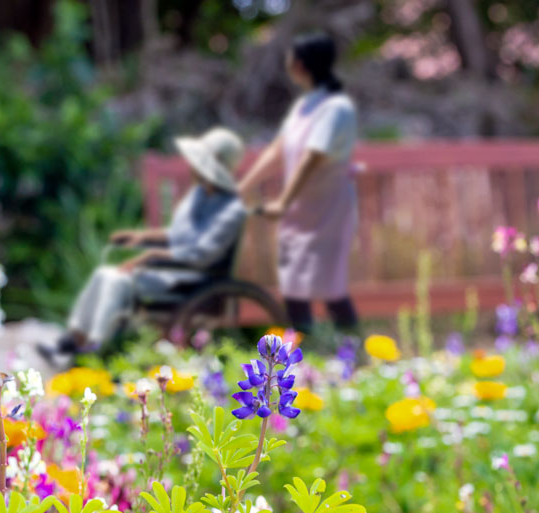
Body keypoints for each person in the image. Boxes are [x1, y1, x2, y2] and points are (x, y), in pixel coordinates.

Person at [45, 127, 248, 358]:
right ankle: (73, 339)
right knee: (104, 273)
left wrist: (151, 257)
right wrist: (141, 238)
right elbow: (177, 235)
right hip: (172, 270)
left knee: (118, 282)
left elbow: (202, 254)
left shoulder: (232, 210)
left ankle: (95, 346)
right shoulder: (198, 196)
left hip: (194, 279)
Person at [238, 32, 359, 334]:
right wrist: (244, 185)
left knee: (331, 287)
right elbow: (278, 151)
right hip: (299, 210)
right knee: (293, 285)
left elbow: (311, 158)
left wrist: (283, 202)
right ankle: (302, 358)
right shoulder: (303, 107)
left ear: (302, 65)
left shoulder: (336, 109)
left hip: (328, 209)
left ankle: (353, 352)